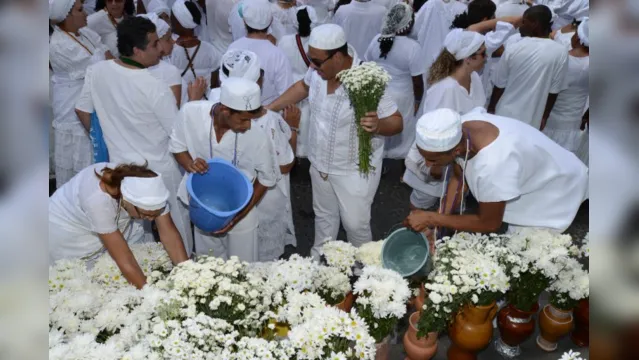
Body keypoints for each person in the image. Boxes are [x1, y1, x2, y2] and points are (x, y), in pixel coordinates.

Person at [268, 24, 403, 248]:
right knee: (324, 220)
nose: (312, 66)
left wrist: (378, 125)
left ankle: (365, 276)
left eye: (317, 62)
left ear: (338, 57)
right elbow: (302, 86)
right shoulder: (317, 71)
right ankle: (323, 268)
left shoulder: (367, 79)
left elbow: (397, 121)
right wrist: (269, 109)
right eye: (311, 60)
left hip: (353, 171)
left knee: (355, 226)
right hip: (319, 164)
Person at [75, 16, 193, 256]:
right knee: (175, 228)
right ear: (138, 51)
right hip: (160, 170)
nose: (160, 49)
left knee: (136, 235)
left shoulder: (97, 71)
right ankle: (185, 275)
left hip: (121, 168)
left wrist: (108, 136)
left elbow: (82, 109)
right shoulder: (154, 86)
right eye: (154, 44)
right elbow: (177, 134)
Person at [403, 107, 588, 235]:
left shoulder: (493, 165)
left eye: (433, 159)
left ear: (456, 150)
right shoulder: (461, 130)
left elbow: (489, 223)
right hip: (537, 172)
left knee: (523, 254)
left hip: (553, 194)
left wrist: (432, 218)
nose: (427, 165)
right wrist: (439, 224)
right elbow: (459, 178)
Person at [169, 78, 281, 261]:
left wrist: (237, 217)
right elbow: (177, 146)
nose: (247, 126)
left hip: (242, 209)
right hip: (202, 204)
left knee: (243, 269)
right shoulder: (190, 113)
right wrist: (190, 164)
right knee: (208, 264)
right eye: (243, 119)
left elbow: (266, 179)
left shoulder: (257, 134)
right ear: (224, 110)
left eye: (250, 120)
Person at [211, 50, 300, 261]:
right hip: (262, 200)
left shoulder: (213, 106)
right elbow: (285, 165)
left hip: (221, 195)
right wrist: (294, 129)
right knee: (259, 263)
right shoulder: (268, 120)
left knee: (224, 257)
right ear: (256, 82)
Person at [49, 162, 189, 289]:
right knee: (83, 284)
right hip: (68, 232)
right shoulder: (98, 201)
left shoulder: (150, 188)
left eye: (155, 214)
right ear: (127, 200)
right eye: (145, 215)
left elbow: (169, 235)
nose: (151, 219)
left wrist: (188, 276)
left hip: (112, 223)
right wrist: (150, 295)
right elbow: (125, 260)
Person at [403, 28, 486, 212]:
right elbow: (430, 130)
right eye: (483, 53)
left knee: (453, 204)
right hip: (437, 160)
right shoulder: (444, 89)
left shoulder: (475, 78)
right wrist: (434, 167)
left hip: (460, 155)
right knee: (423, 202)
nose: (486, 57)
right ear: (468, 58)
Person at [49, 0, 112, 188]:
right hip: (72, 107)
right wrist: (103, 59)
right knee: (76, 160)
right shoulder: (58, 44)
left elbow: (107, 56)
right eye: (79, 10)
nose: (85, 13)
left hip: (91, 102)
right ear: (65, 16)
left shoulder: (85, 33)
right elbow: (101, 65)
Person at [488, 5, 568, 130]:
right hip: (532, 121)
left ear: (535, 24)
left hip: (503, 116)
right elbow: (553, 92)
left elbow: (499, 86)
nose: (521, 25)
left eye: (524, 22)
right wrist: (544, 117)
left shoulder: (513, 48)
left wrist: (491, 109)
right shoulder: (561, 52)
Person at [364, 3, 424, 159]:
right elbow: (417, 81)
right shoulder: (413, 47)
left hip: (379, 92)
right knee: (401, 128)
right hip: (403, 95)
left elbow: (366, 65)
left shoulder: (376, 40)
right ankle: (402, 164)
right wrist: (418, 99)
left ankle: (378, 161)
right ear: (408, 24)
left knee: (381, 128)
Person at [228, 0, 294, 106]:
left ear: (244, 21)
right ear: (271, 20)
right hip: (269, 114)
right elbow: (287, 94)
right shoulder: (277, 54)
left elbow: (227, 85)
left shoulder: (232, 48)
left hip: (237, 112)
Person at [543, 18, 589, 164]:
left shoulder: (559, 57)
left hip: (548, 119)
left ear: (579, 39)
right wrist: (586, 116)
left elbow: (551, 92)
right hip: (572, 124)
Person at [277, 5, 318, 157]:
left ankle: (291, 152)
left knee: (291, 120)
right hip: (310, 84)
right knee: (309, 122)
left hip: (290, 87)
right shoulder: (317, 42)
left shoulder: (284, 41)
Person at [169, 0, 221, 104]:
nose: (170, 21)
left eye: (172, 18)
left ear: (179, 22)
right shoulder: (211, 51)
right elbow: (215, 85)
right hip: (205, 106)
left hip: (179, 106)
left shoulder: (169, 52)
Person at [412, 0, 468, 77]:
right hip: (450, 59)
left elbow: (414, 29)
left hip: (428, 56)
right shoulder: (463, 9)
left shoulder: (430, 4)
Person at [140, 13, 183, 107]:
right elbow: (173, 113)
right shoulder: (169, 71)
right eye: (168, 39)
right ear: (155, 42)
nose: (173, 41)